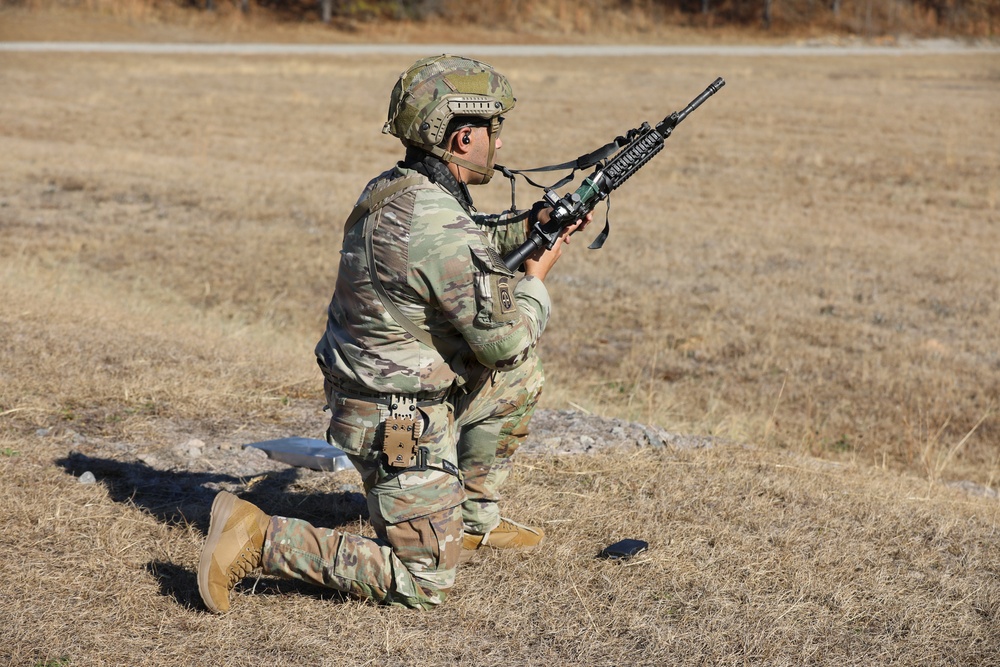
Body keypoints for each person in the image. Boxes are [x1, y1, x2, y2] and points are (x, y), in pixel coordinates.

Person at [198, 54, 588, 612]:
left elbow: (462, 246)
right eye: (492, 132)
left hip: (391, 391)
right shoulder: (434, 220)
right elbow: (504, 339)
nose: (499, 146)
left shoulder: (399, 187)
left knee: (517, 380)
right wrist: (536, 280)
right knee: (425, 581)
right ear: (459, 137)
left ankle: (470, 521)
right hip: (394, 420)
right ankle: (257, 537)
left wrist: (533, 227)